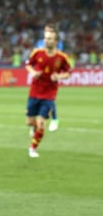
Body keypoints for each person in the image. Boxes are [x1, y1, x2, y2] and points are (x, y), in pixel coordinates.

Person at [25, 23, 71, 157]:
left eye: (50, 38)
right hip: (34, 91)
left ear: (56, 41)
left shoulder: (62, 57)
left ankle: (32, 148)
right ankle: (34, 128)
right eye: (45, 38)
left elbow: (68, 73)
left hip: (49, 94)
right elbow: (28, 65)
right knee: (29, 122)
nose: (47, 40)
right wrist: (33, 72)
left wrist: (59, 76)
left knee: (41, 124)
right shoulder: (37, 53)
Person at [35, 35, 64, 132]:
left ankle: (54, 119)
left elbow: (57, 57)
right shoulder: (40, 43)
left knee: (49, 98)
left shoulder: (56, 44)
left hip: (51, 75)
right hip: (41, 75)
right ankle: (43, 119)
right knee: (41, 99)